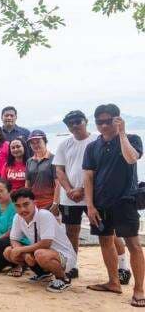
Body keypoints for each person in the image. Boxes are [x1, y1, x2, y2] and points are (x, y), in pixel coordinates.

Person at [54, 110, 130, 281]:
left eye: (78, 121)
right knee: (71, 232)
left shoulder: (98, 139)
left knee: (109, 233)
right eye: (70, 123)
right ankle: (72, 265)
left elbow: (101, 168)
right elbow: (59, 169)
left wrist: (81, 189)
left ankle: (122, 266)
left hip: (95, 196)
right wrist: (68, 190)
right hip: (70, 197)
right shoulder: (64, 144)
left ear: (86, 121)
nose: (74, 125)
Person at [83, 104, 145, 307]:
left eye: (108, 121)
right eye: (99, 122)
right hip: (100, 203)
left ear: (117, 119)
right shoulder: (92, 146)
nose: (103, 125)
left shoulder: (132, 138)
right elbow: (89, 176)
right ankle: (113, 282)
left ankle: (139, 289)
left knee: (134, 245)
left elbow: (131, 158)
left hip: (125, 200)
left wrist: (122, 133)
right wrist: (90, 205)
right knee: (105, 241)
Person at [3, 188, 76, 293]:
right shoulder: (17, 217)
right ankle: (43, 274)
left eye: (26, 204)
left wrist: (22, 250)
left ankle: (63, 279)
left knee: (40, 253)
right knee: (8, 251)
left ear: (34, 203)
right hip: (42, 253)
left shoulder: (44, 215)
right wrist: (23, 253)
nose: (22, 209)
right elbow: (14, 239)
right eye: (18, 206)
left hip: (64, 256)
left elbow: (46, 243)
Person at [25, 130, 60, 213]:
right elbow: (27, 184)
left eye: (38, 142)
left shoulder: (54, 159)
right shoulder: (29, 161)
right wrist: (27, 201)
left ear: (45, 141)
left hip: (50, 203)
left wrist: (55, 203)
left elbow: (58, 184)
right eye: (32, 143)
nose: (35, 145)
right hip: (34, 204)